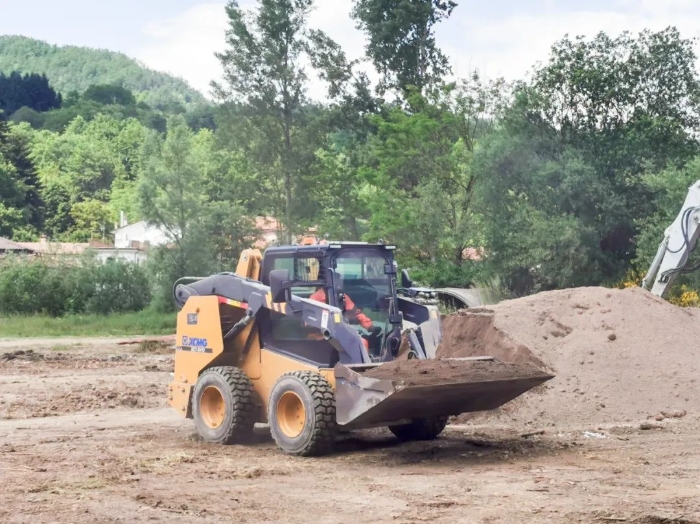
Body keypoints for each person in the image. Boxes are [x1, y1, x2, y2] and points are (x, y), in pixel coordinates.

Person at [309, 286, 380, 350]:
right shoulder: (314, 299)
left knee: (364, 342)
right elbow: (310, 324)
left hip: (340, 332)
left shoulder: (340, 296)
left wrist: (369, 326)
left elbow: (355, 313)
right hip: (320, 336)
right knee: (361, 343)